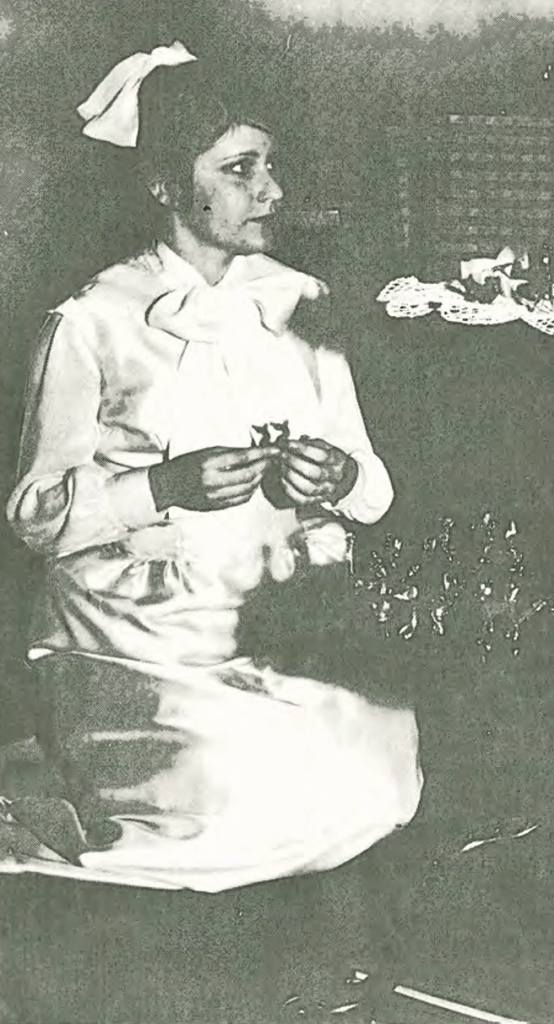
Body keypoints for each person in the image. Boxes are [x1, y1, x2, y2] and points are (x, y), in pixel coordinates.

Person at [3, 42, 423, 895]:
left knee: (383, 765)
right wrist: (161, 488)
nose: (271, 192)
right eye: (239, 170)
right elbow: (34, 515)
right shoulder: (91, 320)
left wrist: (335, 479)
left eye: (270, 166)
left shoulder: (299, 303)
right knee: (233, 793)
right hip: (122, 653)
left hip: (262, 638)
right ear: (165, 186)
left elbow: (373, 489)